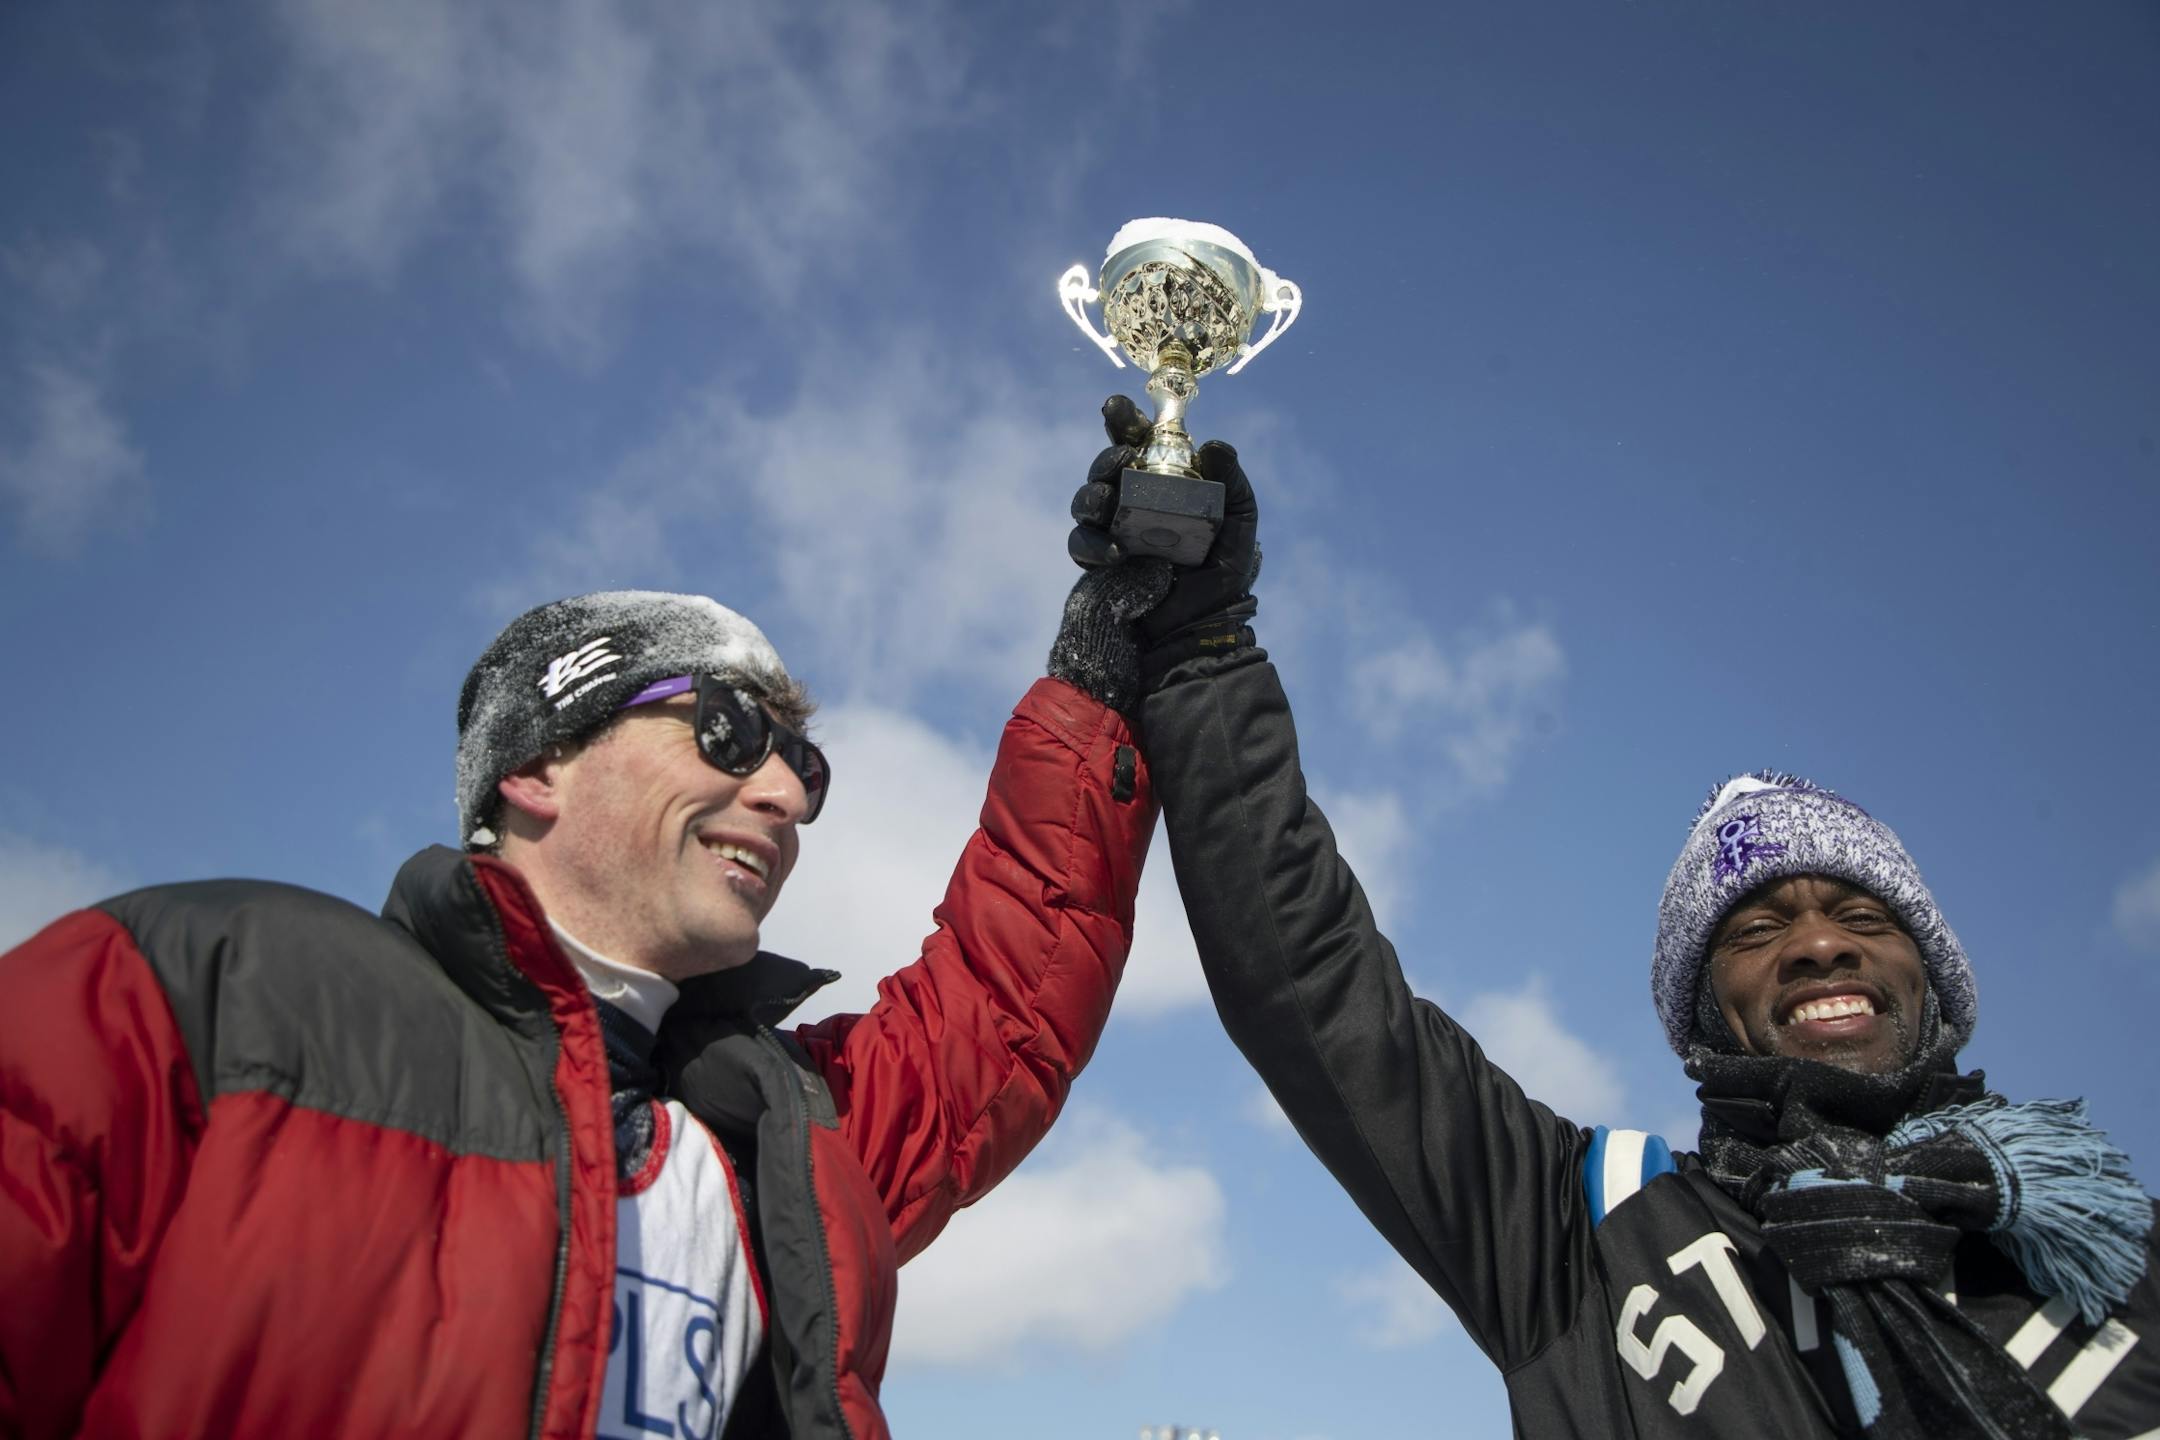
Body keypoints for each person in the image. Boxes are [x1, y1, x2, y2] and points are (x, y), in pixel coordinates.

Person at [1066, 397, 2160, 1438]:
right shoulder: (1585, 1233)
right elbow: (1316, 992)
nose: (1820, 943)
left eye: (1861, 915)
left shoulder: (2113, 1250)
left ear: (1933, 974)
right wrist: (1205, 652)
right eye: (1755, 929)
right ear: (1700, 1009)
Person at [0, 586, 1165, 1440]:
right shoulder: (198, 999)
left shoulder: (789, 1139)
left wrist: (1102, 679)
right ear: (538, 764)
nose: (781, 795)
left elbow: (1006, 1003)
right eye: (727, 733)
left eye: (801, 765)